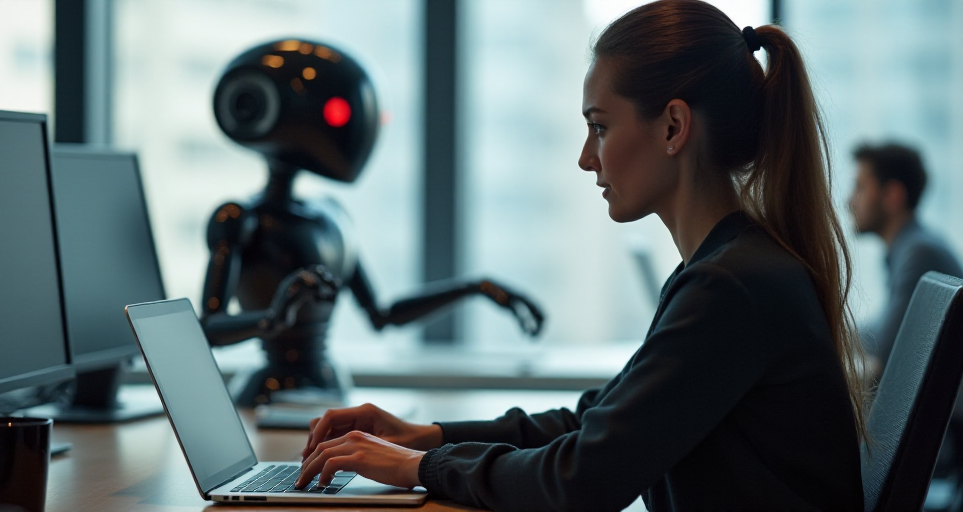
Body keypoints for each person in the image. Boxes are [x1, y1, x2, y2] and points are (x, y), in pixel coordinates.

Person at [295, 2, 868, 510]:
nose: (585, 158)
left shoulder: (733, 286)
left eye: (599, 127)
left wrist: (419, 469)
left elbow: (582, 481)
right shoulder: (725, 269)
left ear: (673, 126)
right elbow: (596, 423)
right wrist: (427, 437)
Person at [849, 143, 963, 377]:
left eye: (860, 187)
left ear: (893, 195)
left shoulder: (919, 253)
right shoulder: (914, 246)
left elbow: (887, 350)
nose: (849, 201)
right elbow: (879, 330)